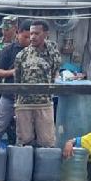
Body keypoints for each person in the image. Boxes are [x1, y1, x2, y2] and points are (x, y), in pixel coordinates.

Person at [14, 19, 61, 147]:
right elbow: (17, 80)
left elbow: (54, 72)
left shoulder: (53, 53)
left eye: (37, 33)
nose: (33, 37)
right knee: (24, 142)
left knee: (47, 141)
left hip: (44, 103)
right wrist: (17, 102)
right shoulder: (21, 55)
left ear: (46, 34)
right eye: (31, 34)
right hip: (24, 103)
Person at [0, 20, 31, 141]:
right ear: (18, 33)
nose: (29, 40)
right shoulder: (8, 49)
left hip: (28, 99)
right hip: (8, 96)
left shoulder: (37, 51)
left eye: (31, 37)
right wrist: (13, 72)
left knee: (24, 133)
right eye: (26, 37)